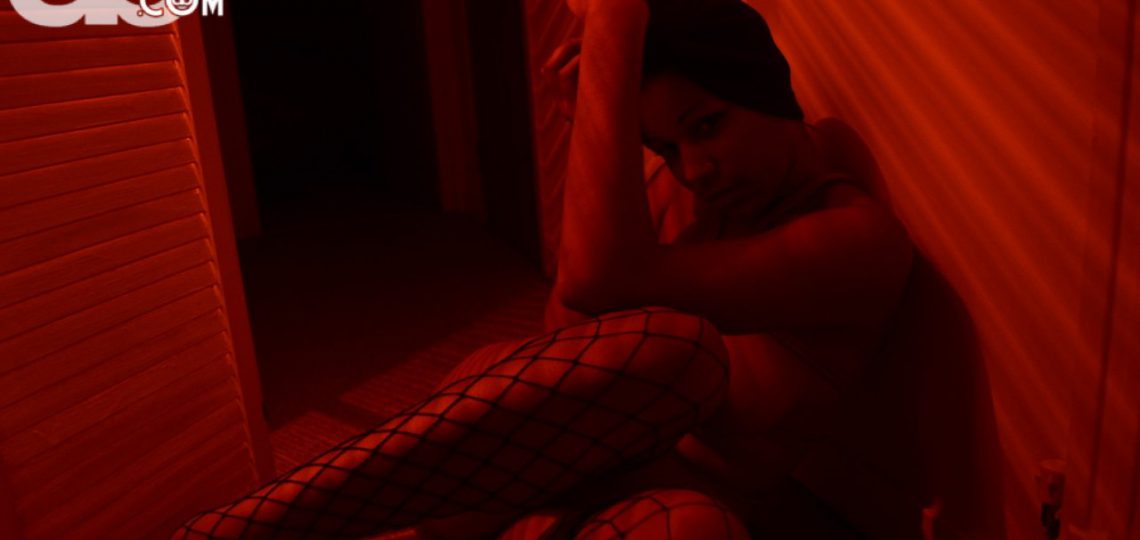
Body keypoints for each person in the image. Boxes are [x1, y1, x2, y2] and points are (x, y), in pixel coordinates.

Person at [173, 1, 912, 538]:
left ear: (769, 92)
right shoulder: (681, 201)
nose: (696, 170)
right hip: (515, 470)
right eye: (666, 148)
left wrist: (614, 25)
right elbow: (566, 325)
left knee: (694, 510)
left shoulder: (855, 239)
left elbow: (600, 282)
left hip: (630, 509)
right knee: (649, 351)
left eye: (708, 127)